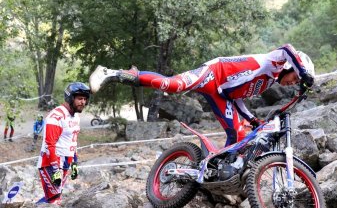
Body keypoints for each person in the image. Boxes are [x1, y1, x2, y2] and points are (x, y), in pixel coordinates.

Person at [89, 44, 315, 146]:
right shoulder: (274, 61)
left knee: (237, 134)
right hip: (212, 73)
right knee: (172, 85)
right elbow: (287, 48)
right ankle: (113, 73)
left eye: (296, 82)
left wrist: (253, 120)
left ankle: (219, 172)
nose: (291, 83)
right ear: (291, 67)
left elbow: (236, 98)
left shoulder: (265, 84)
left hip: (221, 95)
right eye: (294, 78)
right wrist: (305, 74)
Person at [36, 82, 90, 204]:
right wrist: (55, 170)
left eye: (85, 99)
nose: (83, 102)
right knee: (54, 200)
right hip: (51, 162)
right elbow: (50, 144)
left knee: (56, 197)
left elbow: (73, 141)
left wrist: (75, 163)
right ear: (70, 98)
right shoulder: (56, 116)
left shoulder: (76, 117)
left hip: (66, 161)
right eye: (80, 98)